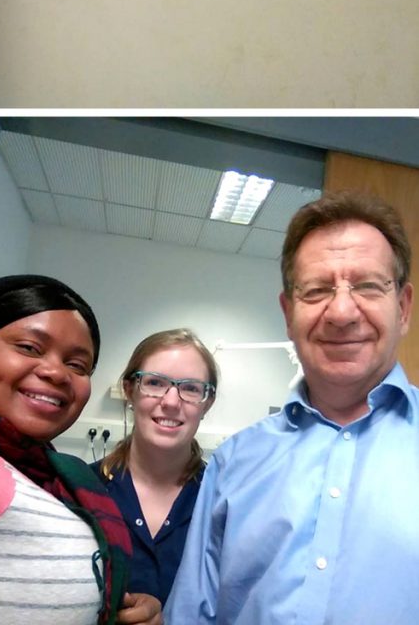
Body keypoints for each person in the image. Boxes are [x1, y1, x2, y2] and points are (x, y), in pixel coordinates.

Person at [166, 190, 419, 625]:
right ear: (288, 313)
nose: (341, 311)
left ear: (403, 307)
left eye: (367, 286)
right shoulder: (233, 464)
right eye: (317, 290)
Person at [0, 274, 162, 625]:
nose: (57, 372)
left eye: (77, 365)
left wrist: (126, 606)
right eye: (29, 347)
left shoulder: (65, 480)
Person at [95, 329, 217, 606]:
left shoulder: (222, 499)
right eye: (155, 383)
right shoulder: (82, 490)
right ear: (129, 390)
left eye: (190, 388)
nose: (171, 402)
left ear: (207, 403)